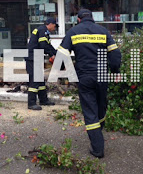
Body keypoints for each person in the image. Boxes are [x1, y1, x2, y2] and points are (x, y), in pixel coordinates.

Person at [57, 9, 121, 158]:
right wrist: (116, 71)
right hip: (102, 75)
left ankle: (98, 148)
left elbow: (61, 55)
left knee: (90, 111)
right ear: (92, 18)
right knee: (100, 106)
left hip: (85, 76)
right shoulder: (103, 31)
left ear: (78, 19)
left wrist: (61, 71)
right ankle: (98, 131)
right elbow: (115, 53)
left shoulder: (73, 32)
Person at [26, 17, 57, 110]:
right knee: (35, 80)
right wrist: (52, 55)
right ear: (50, 24)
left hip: (37, 57)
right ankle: (31, 103)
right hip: (32, 58)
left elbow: (48, 45)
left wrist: (55, 53)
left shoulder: (44, 32)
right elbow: (43, 45)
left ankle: (43, 100)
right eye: (54, 26)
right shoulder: (43, 30)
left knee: (40, 81)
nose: (54, 29)